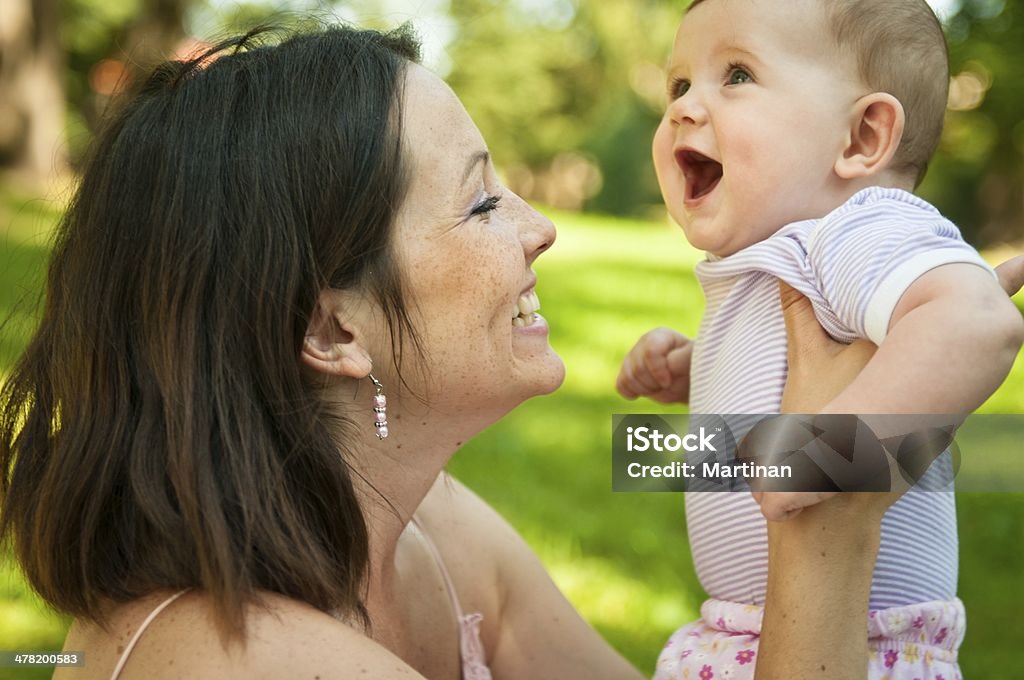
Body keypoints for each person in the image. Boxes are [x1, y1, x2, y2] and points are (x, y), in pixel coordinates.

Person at [1, 22, 1022, 680]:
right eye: (483, 199)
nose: (542, 229)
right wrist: (829, 499)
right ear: (330, 328)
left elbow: (964, 330)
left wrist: (731, 412)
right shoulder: (263, 663)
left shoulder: (420, 529)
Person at [616, 0, 1024, 678]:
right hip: (749, 631)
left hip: (867, 648)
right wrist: (701, 370)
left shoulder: (858, 228)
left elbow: (976, 322)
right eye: (680, 84)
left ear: (862, 138)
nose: (685, 108)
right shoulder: (786, 249)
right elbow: (789, 379)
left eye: (737, 74)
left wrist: (827, 453)